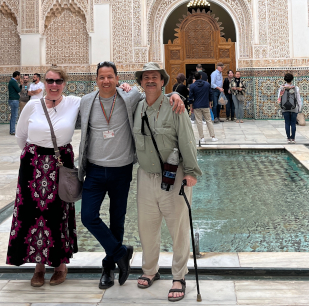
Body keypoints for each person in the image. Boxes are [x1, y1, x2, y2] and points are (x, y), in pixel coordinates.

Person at [78, 61, 185, 291]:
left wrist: (175, 93)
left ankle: (108, 268)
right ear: (96, 80)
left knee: (117, 221)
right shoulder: (86, 101)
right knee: (88, 216)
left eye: (110, 77)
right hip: (95, 170)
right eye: (101, 77)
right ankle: (120, 252)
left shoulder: (130, 97)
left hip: (121, 169)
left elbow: (155, 94)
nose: (106, 81)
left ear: (117, 79)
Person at [133, 62, 201, 302]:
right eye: (146, 77)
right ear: (140, 82)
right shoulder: (137, 107)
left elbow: (187, 140)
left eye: (155, 77)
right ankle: (150, 270)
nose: (150, 80)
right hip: (146, 176)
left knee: (179, 228)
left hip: (174, 176)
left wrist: (191, 171)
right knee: (147, 227)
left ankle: (179, 276)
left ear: (163, 82)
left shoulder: (174, 107)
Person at [8, 67, 79, 287]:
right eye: (50, 81)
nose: (54, 85)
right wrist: (35, 155)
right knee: (32, 213)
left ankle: (60, 266)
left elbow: (104, 97)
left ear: (64, 84)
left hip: (60, 164)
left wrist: (126, 88)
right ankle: (38, 267)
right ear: (44, 83)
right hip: (32, 166)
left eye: (58, 81)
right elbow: (21, 136)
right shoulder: (32, 105)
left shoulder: (75, 103)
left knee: (58, 213)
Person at [189, 71, 217, 143]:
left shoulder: (192, 86)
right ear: (201, 77)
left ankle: (202, 138)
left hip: (197, 106)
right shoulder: (207, 84)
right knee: (208, 120)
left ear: (195, 78)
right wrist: (210, 103)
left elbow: (191, 98)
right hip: (205, 105)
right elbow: (210, 94)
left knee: (199, 122)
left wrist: (191, 107)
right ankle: (213, 137)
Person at [277, 73, 301, 142]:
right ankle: (293, 139)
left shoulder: (281, 88)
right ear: (292, 79)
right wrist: (299, 108)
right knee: (293, 123)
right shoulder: (295, 88)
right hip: (294, 108)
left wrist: (281, 107)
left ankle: (288, 138)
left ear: (285, 79)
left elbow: (279, 98)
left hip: (284, 108)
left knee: (287, 123)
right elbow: (298, 99)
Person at [8, 71, 21, 135]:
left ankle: (12, 130)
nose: (19, 77)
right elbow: (18, 90)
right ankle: (12, 131)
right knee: (14, 116)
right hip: (14, 100)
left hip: (12, 100)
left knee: (13, 115)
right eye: (19, 76)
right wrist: (21, 85)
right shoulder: (13, 82)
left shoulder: (11, 81)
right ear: (17, 76)